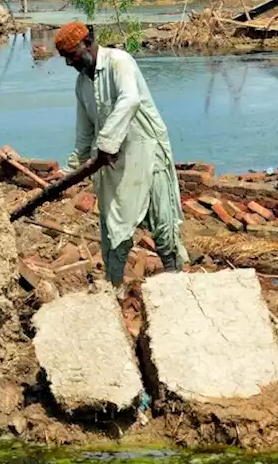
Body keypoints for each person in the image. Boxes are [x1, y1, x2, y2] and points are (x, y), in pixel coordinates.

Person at [53, 21, 189, 290]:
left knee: (164, 226)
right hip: (114, 163)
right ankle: (114, 291)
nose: (69, 63)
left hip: (147, 153)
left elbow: (130, 100)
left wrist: (106, 144)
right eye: (65, 58)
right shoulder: (82, 85)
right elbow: (84, 133)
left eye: (72, 55)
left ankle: (178, 286)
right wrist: (70, 172)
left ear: (88, 44)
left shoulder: (119, 62)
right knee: (114, 231)